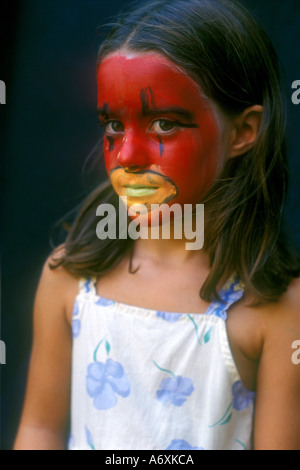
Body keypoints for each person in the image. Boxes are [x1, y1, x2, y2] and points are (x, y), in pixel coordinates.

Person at [14, 0, 300, 450]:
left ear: (244, 132)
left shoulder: (276, 308)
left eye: (164, 124)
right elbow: (40, 429)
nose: (127, 156)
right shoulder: (69, 276)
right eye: (112, 126)